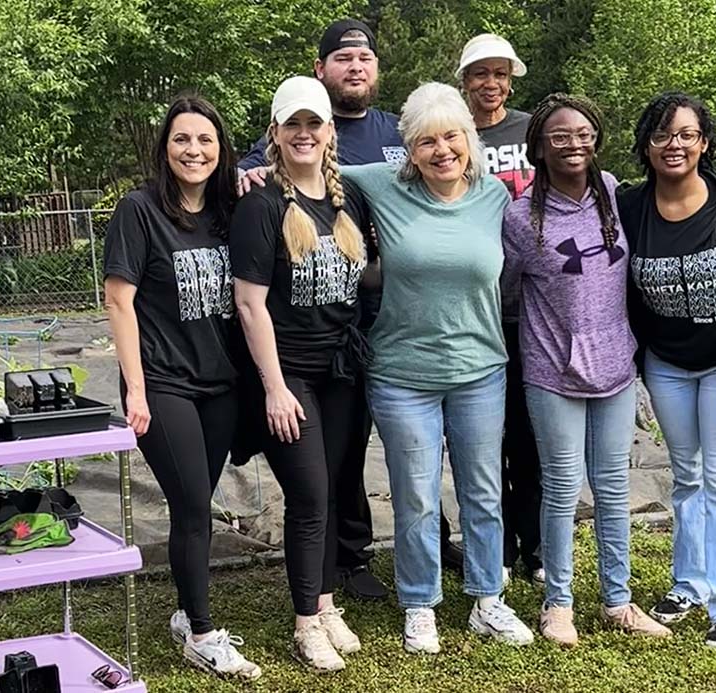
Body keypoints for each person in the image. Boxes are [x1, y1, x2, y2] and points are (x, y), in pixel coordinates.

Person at [238, 18, 463, 601]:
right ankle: (327, 583)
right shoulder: (266, 180)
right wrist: (246, 175)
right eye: (343, 59)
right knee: (320, 475)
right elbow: (248, 276)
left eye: (365, 57)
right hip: (298, 349)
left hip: (371, 336)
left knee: (372, 457)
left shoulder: (396, 140)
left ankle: (383, 554)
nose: (356, 67)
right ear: (322, 70)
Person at [345, 82, 535, 654]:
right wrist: (253, 170)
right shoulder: (382, 184)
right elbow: (313, 170)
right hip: (402, 374)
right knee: (417, 495)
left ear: (470, 139)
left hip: (480, 368)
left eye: (451, 136)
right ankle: (420, 603)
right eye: (426, 141)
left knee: (482, 490)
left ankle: (486, 601)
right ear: (410, 150)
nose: (441, 150)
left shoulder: (496, 199)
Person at [501, 93, 673, 646]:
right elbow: (503, 292)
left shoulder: (617, 197)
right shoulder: (520, 217)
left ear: (596, 138)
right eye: (558, 136)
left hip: (617, 368)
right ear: (539, 148)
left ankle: (617, 601)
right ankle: (559, 604)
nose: (573, 144)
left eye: (582, 134)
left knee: (613, 485)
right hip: (553, 371)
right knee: (560, 486)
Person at [102, 95, 261, 680]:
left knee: (192, 503)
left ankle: (184, 611)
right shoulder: (139, 211)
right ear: (164, 147)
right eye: (181, 140)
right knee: (195, 505)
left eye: (205, 141)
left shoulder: (231, 209)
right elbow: (119, 301)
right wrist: (136, 390)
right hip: (162, 382)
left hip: (220, 384)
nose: (193, 150)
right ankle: (200, 631)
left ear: (221, 149)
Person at [619, 92, 716, 651]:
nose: (675, 145)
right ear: (646, 145)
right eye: (662, 135)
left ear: (704, 141)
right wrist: (636, 370)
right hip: (666, 366)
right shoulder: (632, 205)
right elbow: (623, 292)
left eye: (686, 134)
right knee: (685, 473)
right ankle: (692, 583)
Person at [230, 75, 372, 671]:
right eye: (294, 125)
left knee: (336, 487)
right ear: (276, 134)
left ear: (329, 132)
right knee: (309, 497)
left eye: (314, 124)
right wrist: (275, 387)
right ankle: (306, 623)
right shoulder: (260, 207)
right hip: (291, 378)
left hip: (342, 372)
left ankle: (326, 600)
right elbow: (249, 303)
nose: (305, 134)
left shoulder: (349, 200)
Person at [456, 33, 543, 585]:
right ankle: (496, 547)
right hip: (473, 309)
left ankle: (531, 547)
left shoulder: (532, 130)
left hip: (530, 309)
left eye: (500, 74)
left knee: (530, 438)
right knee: (481, 439)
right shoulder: (453, 136)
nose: (491, 84)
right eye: (480, 74)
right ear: (463, 80)